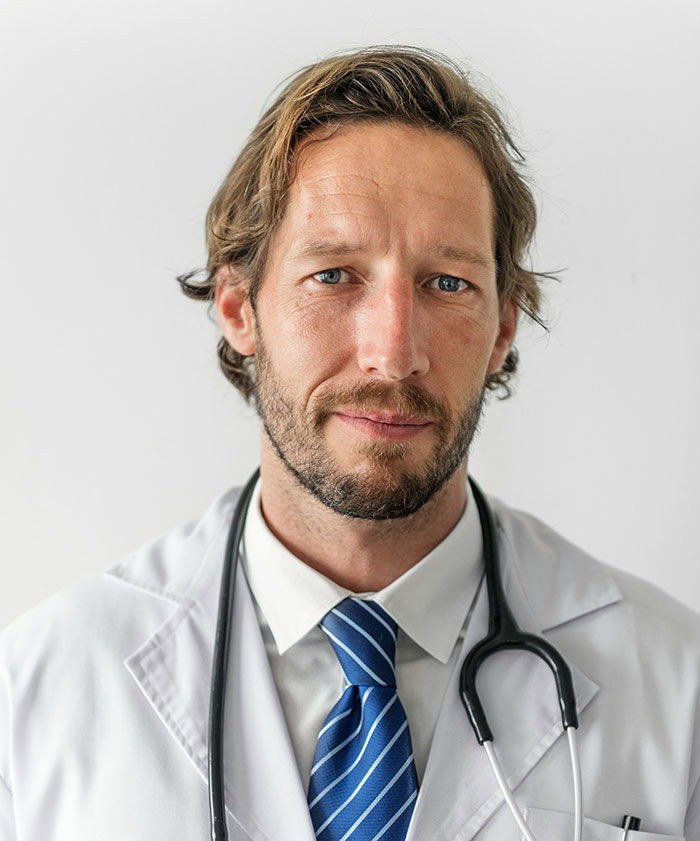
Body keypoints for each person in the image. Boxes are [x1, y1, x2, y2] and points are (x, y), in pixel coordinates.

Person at [1, 45, 699, 841]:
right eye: (334, 275)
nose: (393, 353)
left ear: (503, 328)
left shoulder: (676, 686)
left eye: (448, 283)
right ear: (238, 308)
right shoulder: (36, 696)